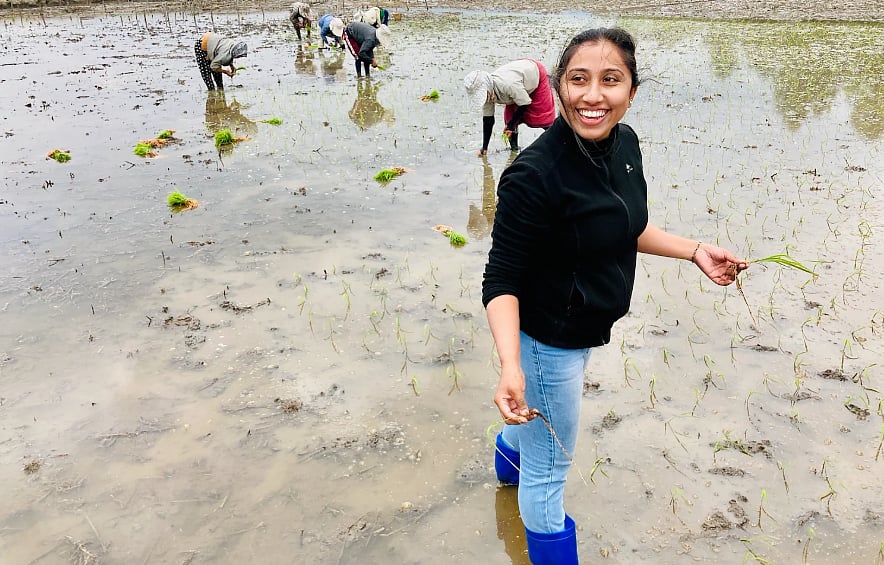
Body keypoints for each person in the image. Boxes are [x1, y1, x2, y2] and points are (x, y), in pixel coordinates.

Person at [482, 27, 748, 564]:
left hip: (585, 328)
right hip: (548, 339)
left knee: (539, 430)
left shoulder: (625, 145)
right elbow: (501, 280)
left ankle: (506, 468)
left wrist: (694, 250)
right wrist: (511, 365)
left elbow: (627, 225)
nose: (593, 95)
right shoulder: (533, 176)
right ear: (559, 86)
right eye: (579, 80)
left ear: (631, 90)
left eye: (610, 80)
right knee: (550, 469)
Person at [464, 59, 556, 155]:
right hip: (517, 87)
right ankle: (514, 151)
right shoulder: (488, 94)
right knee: (509, 119)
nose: (486, 99)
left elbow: (525, 103)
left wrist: (511, 126)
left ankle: (558, 140)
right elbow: (488, 120)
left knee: (542, 118)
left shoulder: (508, 85)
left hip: (534, 74)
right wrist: (484, 147)